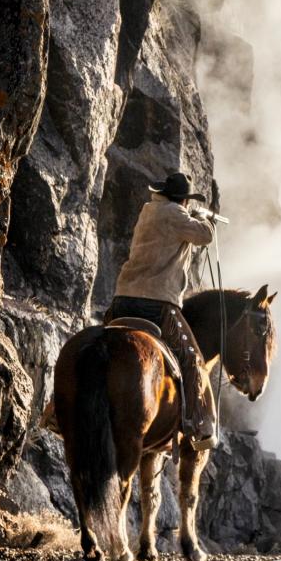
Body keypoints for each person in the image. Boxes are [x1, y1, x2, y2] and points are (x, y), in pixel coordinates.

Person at [104, 171, 218, 451]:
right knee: (192, 361)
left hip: (123, 297)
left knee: (97, 342)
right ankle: (197, 426)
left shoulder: (149, 210)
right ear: (182, 200)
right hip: (157, 303)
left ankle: (56, 410)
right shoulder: (176, 214)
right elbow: (204, 236)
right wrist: (205, 217)